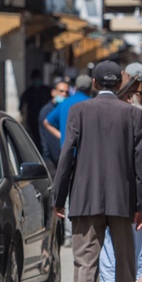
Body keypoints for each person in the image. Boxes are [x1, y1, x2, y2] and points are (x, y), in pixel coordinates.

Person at [52, 60, 142, 282]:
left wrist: (59, 198)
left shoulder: (78, 110)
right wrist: (141, 205)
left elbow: (67, 155)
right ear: (119, 83)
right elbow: (139, 163)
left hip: (85, 197)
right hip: (122, 199)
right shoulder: (132, 114)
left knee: (85, 260)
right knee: (126, 260)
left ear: (94, 83)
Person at [99, 73, 142, 282]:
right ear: (128, 96)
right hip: (140, 200)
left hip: (108, 200)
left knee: (113, 252)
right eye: (139, 92)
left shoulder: (103, 122)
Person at [43, 73, 92, 247]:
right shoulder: (90, 104)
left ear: (75, 87)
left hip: (66, 154)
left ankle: (69, 235)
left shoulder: (65, 104)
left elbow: (47, 121)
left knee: (67, 195)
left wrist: (61, 136)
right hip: (86, 156)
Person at [38, 79, 70, 175]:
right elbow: (50, 139)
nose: (64, 94)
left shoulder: (66, 109)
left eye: (66, 92)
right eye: (61, 91)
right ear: (53, 92)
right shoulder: (47, 111)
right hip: (52, 159)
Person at [19, 70, 50, 147]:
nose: (37, 80)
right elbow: (21, 105)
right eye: (35, 79)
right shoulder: (29, 91)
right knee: (35, 139)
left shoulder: (46, 90)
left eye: (38, 78)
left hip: (45, 118)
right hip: (33, 119)